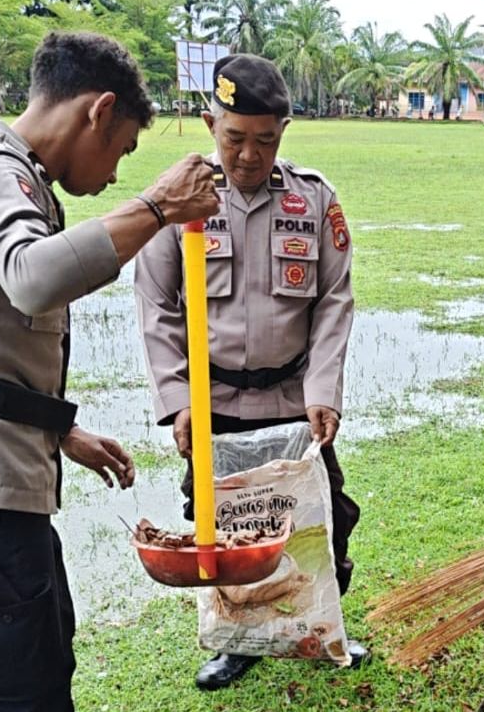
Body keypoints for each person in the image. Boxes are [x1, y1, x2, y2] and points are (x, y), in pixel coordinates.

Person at [0, 31, 221, 711]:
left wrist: (61, 430)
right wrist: (156, 207)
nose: (115, 174)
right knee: (21, 691)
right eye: (122, 149)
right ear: (99, 111)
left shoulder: (15, 175)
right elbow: (32, 279)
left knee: (43, 657)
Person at [133, 53, 364, 691]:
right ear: (212, 125)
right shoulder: (180, 199)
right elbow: (155, 302)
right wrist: (178, 399)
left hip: (293, 399)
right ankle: (239, 640)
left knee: (322, 515)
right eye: (234, 137)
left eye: (265, 140)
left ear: (283, 132)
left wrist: (324, 390)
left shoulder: (312, 200)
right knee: (221, 526)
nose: (248, 155)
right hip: (213, 401)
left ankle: (320, 622)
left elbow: (334, 300)